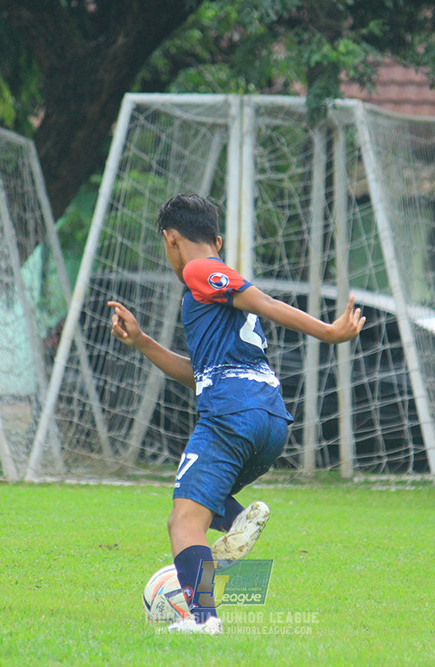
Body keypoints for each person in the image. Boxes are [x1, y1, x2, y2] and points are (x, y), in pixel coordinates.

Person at [108, 194, 365, 634]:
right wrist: (143, 341)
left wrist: (329, 332)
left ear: (170, 239)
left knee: (183, 521)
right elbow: (199, 375)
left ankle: (203, 620)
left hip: (232, 414)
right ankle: (238, 521)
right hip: (269, 419)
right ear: (218, 239)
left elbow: (265, 303)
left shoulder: (198, 271)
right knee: (197, 504)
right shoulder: (210, 292)